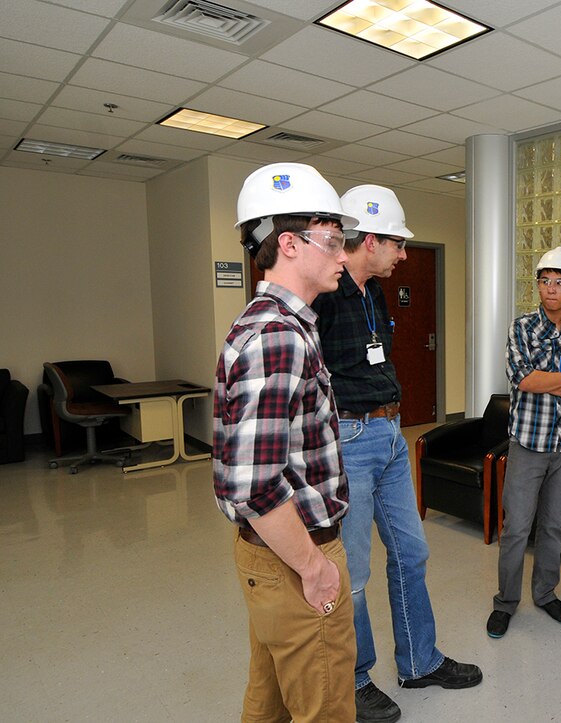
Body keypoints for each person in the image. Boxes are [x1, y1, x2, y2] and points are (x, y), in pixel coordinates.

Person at [312, 185, 482, 723]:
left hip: (389, 435)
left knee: (411, 553)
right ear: (367, 241)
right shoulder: (324, 294)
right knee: (354, 573)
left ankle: (419, 661)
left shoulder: (374, 292)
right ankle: (354, 679)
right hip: (348, 439)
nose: (404, 255)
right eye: (397, 244)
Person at [213, 162, 359, 721]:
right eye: (333, 240)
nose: (343, 256)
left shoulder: (272, 323)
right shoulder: (279, 338)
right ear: (291, 245)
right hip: (297, 556)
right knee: (324, 710)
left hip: (271, 556)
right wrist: (314, 568)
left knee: (268, 701)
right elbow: (253, 485)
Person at [486, 246, 561, 639]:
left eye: (559, 283)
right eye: (545, 282)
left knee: (552, 527)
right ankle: (505, 602)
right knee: (517, 527)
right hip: (528, 444)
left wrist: (551, 379)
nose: (550, 289)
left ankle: (546, 593)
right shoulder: (521, 328)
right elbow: (524, 380)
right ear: (538, 286)